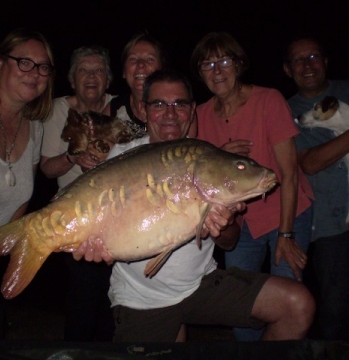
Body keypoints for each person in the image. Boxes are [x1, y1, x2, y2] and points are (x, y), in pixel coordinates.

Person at [73, 69, 315, 342]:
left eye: (180, 104)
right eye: (159, 104)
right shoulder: (121, 157)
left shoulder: (207, 159)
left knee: (297, 304)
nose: (170, 113)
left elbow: (229, 242)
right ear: (143, 109)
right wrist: (94, 242)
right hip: (142, 299)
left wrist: (221, 225)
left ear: (191, 110)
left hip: (201, 284)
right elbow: (97, 223)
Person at [191, 31, 314, 341]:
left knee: (289, 298)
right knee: (242, 311)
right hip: (242, 222)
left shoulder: (267, 100)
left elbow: (289, 173)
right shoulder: (201, 115)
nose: (217, 71)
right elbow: (200, 170)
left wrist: (286, 234)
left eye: (224, 61)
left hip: (288, 212)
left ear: (239, 64)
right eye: (207, 64)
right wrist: (220, 154)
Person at [40, 46, 116, 342]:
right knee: (82, 298)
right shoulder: (58, 110)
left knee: (112, 301)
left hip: (115, 216)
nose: (91, 77)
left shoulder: (119, 107)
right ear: (72, 80)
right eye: (83, 70)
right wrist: (73, 157)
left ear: (108, 79)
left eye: (98, 70)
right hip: (75, 219)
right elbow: (47, 169)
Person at [0, 28, 54, 339]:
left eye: (43, 66)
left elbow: (21, 197)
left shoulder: (36, 127)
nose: (35, 73)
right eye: (25, 62)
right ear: (0, 64)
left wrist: (0, 249)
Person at [283, 34, 349, 341]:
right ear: (287, 69)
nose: (307, 65)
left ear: (325, 61)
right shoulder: (285, 111)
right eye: (299, 59)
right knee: (334, 311)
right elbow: (308, 162)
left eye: (313, 57)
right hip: (328, 224)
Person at [109, 31, 197, 138]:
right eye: (133, 59)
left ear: (162, 69)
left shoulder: (180, 112)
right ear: (123, 71)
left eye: (149, 59)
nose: (140, 64)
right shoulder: (113, 110)